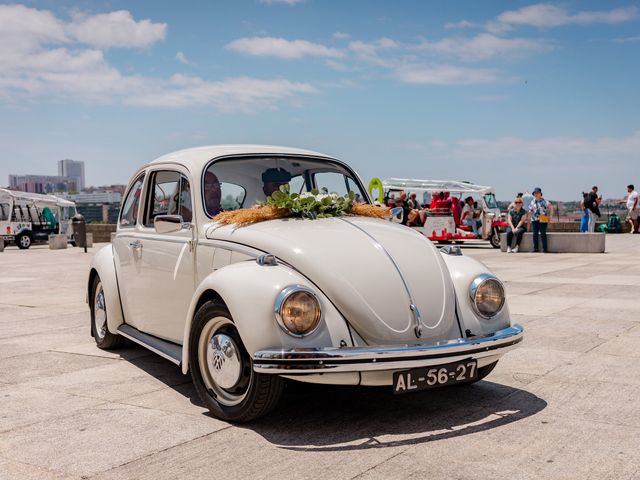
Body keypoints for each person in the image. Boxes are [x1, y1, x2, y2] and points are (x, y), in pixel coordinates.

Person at [528, 187, 553, 253]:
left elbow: (551, 207)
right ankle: (535, 248)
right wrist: (529, 218)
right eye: (535, 193)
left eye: (537, 193)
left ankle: (545, 249)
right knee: (535, 234)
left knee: (543, 234)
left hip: (543, 219)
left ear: (540, 194)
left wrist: (550, 217)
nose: (536, 194)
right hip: (534, 219)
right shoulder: (532, 201)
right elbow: (530, 210)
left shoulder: (544, 201)